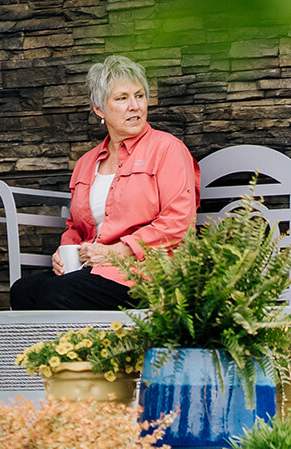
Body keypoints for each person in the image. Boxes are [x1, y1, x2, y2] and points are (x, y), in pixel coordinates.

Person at [10, 55, 201, 310]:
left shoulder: (167, 149)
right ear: (99, 109)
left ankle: (85, 350)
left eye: (140, 96)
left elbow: (178, 222)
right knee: (23, 291)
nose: (135, 106)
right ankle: (47, 352)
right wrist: (63, 252)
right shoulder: (86, 163)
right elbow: (75, 227)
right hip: (92, 271)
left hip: (145, 275)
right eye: (122, 98)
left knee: (57, 294)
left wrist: (117, 252)